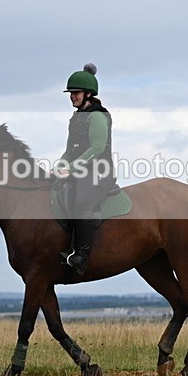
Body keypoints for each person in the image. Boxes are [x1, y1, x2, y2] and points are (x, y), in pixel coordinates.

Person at [54, 63, 116, 275]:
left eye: (76, 93)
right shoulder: (77, 118)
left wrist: (71, 168)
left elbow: (97, 148)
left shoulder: (97, 116)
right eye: (70, 93)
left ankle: (82, 255)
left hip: (99, 173)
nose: (72, 96)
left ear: (88, 94)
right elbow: (70, 151)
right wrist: (60, 166)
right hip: (80, 172)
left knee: (82, 201)